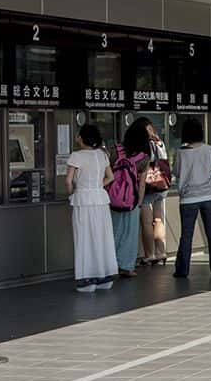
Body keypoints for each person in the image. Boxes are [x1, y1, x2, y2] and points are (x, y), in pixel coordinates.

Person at [66, 124, 117, 292]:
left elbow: (68, 181)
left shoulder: (76, 156)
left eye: (78, 135)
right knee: (102, 237)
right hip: (100, 199)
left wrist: (73, 193)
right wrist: (96, 187)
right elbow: (110, 177)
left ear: (82, 138)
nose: (76, 137)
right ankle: (104, 276)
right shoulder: (102, 155)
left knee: (84, 237)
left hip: (83, 200)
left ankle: (86, 279)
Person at [173, 117, 211, 278]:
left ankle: (182, 270)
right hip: (210, 197)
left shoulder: (180, 153)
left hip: (188, 199)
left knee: (186, 235)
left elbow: (176, 172)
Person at [111, 118, 154, 277]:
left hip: (113, 198)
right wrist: (139, 202)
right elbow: (142, 183)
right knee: (129, 233)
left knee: (114, 231)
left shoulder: (115, 150)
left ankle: (110, 264)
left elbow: (107, 174)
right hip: (132, 198)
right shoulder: (143, 156)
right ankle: (127, 266)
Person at [140, 120, 170, 266]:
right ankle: (161, 252)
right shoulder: (160, 142)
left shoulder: (145, 144)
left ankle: (149, 254)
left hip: (148, 186)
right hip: (161, 184)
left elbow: (145, 163)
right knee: (158, 219)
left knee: (146, 222)